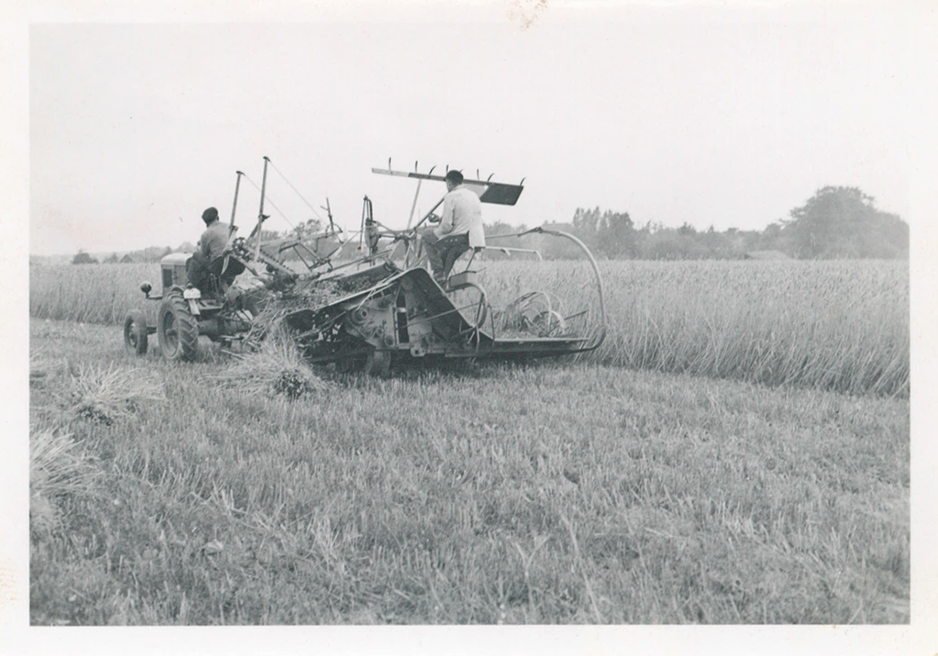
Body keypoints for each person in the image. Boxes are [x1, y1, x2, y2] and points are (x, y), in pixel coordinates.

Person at [420, 169, 484, 282]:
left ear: (449, 182)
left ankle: (438, 271)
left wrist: (436, 234)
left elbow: (446, 226)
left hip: (456, 238)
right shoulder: (473, 195)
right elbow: (463, 218)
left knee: (425, 235)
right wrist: (440, 219)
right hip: (472, 239)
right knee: (444, 262)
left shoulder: (450, 196)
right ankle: (441, 278)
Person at [187, 206, 236, 294]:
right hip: (234, 261)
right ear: (217, 217)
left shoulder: (206, 234)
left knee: (195, 255)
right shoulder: (229, 227)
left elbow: (204, 254)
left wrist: (199, 246)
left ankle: (193, 286)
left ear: (206, 222)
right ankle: (222, 287)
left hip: (219, 264)